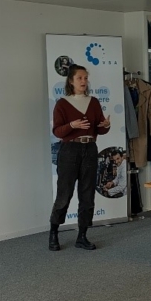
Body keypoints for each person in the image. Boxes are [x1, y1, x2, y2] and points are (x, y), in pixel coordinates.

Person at [49, 64, 111, 251]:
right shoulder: (62, 104)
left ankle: (82, 236)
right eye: (80, 78)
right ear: (71, 81)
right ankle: (53, 233)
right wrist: (72, 125)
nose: (84, 81)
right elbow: (57, 132)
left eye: (85, 78)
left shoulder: (94, 102)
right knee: (64, 194)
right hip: (70, 151)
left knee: (87, 195)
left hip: (90, 149)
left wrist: (105, 125)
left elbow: (99, 129)